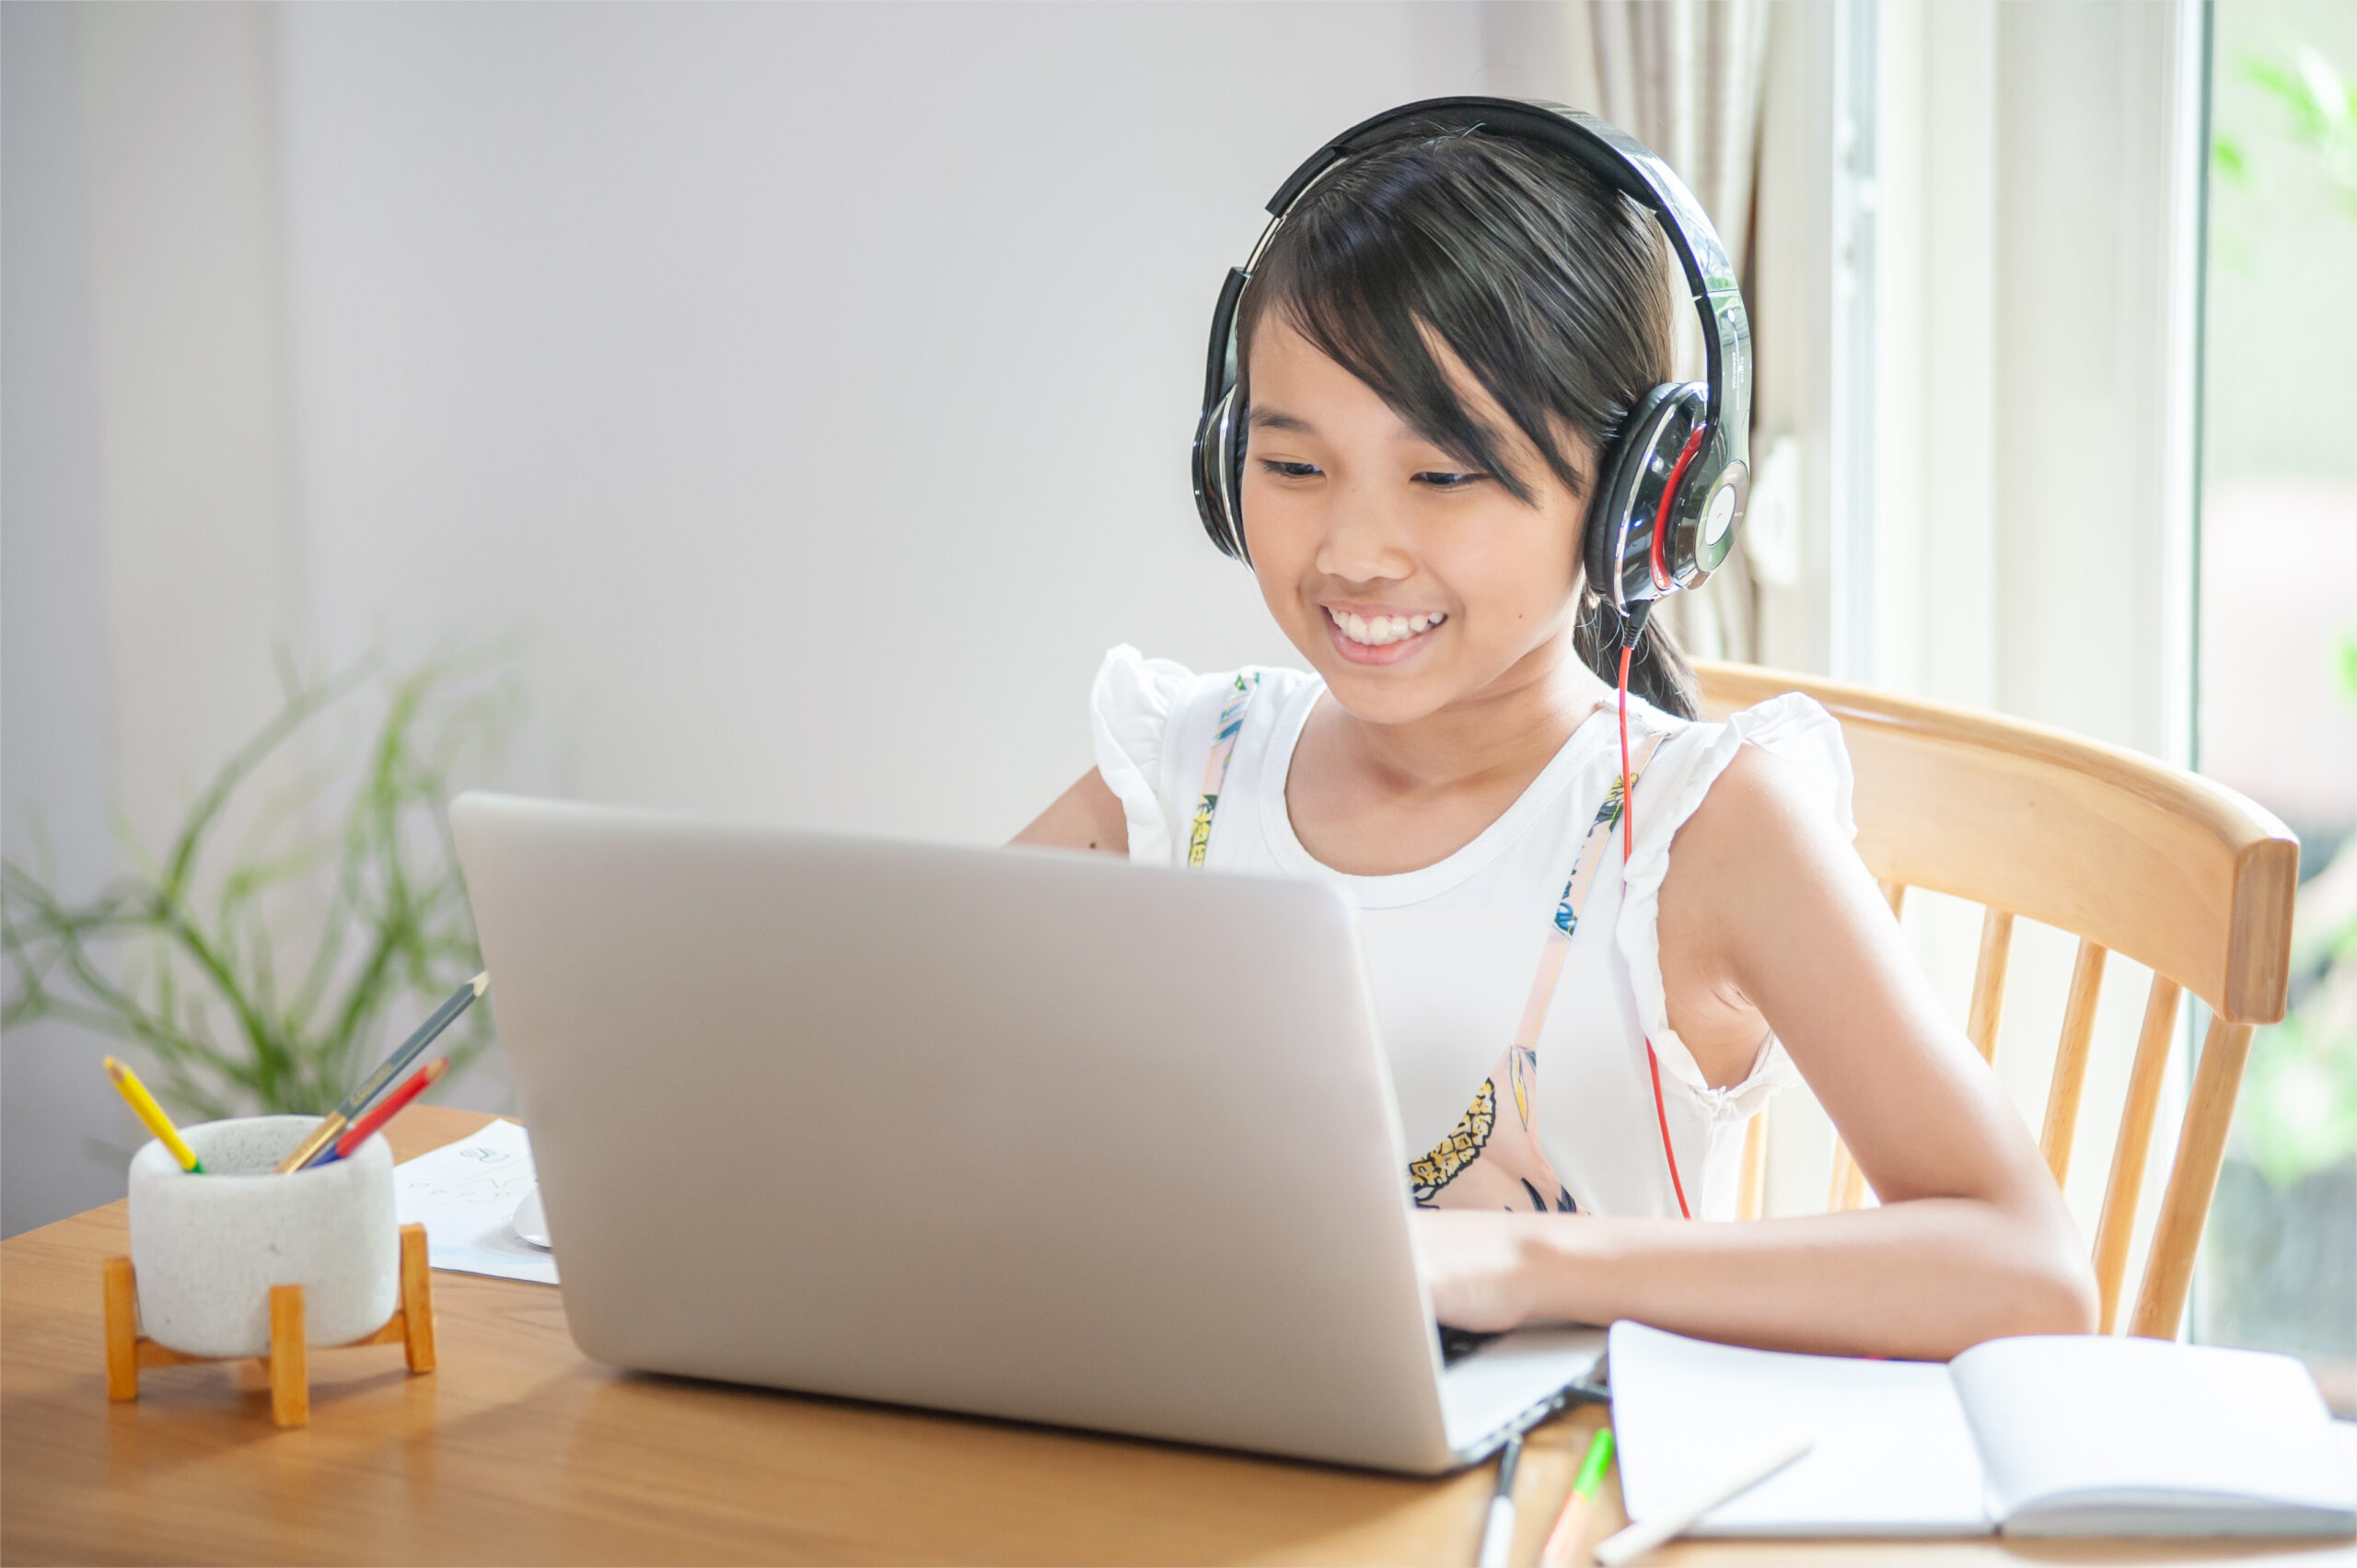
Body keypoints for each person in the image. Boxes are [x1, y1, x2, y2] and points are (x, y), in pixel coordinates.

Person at [1014, 113, 2096, 1361]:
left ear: (1638, 497)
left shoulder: (1699, 831)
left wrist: (1524, 1261)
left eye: (1445, 477)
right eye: (1294, 466)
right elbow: (893, 1078)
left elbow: (2025, 1273)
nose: (1356, 552)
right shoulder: (1177, 775)